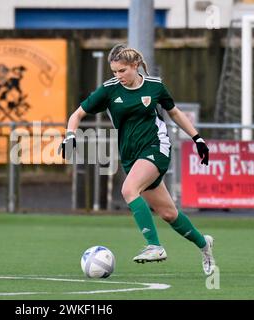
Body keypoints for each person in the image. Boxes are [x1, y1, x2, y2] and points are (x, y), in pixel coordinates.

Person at [59, 44, 216, 276]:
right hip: (131, 157)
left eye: (122, 71)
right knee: (169, 214)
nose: (117, 76)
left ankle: (155, 246)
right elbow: (77, 114)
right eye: (114, 72)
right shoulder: (109, 90)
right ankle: (205, 245)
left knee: (129, 189)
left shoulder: (155, 86)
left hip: (157, 148)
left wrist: (197, 139)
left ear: (135, 66)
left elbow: (174, 112)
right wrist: (70, 136)